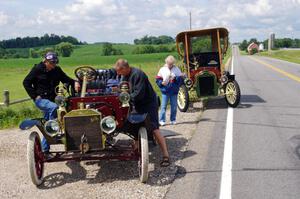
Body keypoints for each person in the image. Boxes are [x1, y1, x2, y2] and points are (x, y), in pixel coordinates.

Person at [114, 59, 170, 167]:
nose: (118, 74)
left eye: (119, 71)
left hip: (148, 103)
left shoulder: (138, 75)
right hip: (136, 103)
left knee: (154, 128)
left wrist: (125, 98)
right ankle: (137, 148)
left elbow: (138, 94)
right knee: (133, 124)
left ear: (125, 68)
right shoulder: (125, 76)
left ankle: (166, 155)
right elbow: (123, 89)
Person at [23, 52, 78, 154]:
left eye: (55, 63)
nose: (53, 65)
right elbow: (26, 82)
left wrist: (75, 82)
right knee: (54, 108)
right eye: (52, 63)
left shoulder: (56, 70)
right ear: (45, 61)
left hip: (53, 100)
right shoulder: (37, 69)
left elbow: (67, 79)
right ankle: (53, 129)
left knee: (51, 119)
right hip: (41, 100)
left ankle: (45, 150)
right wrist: (34, 96)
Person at [156, 55, 183, 126]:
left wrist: (175, 78)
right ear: (166, 62)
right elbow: (158, 79)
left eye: (171, 64)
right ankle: (162, 120)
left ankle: (173, 119)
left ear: (173, 63)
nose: (170, 65)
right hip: (165, 91)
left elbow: (180, 80)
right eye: (169, 64)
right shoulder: (162, 69)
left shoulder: (177, 69)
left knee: (174, 106)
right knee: (163, 106)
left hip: (174, 91)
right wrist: (161, 83)